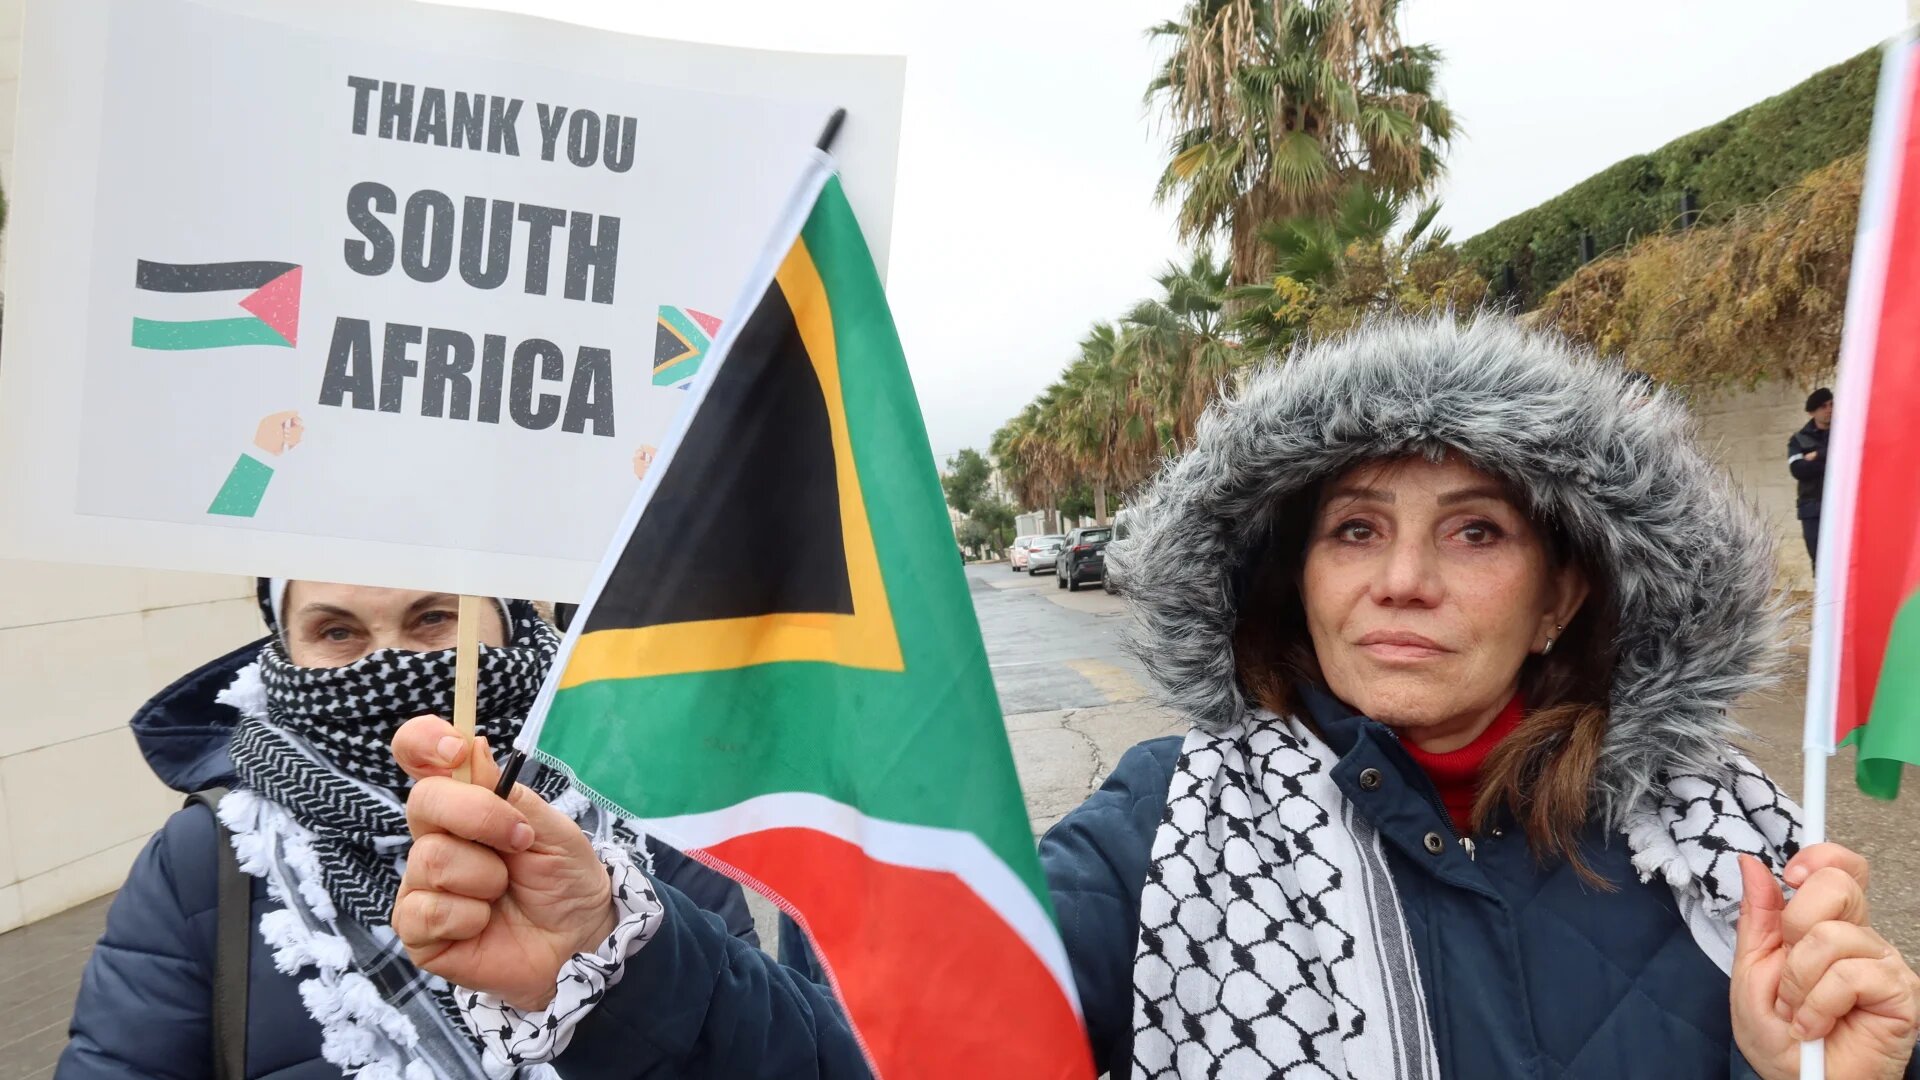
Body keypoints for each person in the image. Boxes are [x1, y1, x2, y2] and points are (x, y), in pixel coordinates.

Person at [386, 317, 1920, 1079]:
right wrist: (616, 962)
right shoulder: (1165, 828)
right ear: (1293, 578)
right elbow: (903, 1049)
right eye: (1354, 530)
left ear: (1563, 593)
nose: (1401, 582)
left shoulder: (1737, 858)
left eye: (1474, 534)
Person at [59, 579, 758, 1079]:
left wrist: (605, 956)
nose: (388, 663)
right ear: (284, 647)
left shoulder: (651, 817)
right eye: (337, 632)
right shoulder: (199, 860)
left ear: (509, 621)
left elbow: (754, 1047)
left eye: (434, 617)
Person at [1789, 387, 1833, 566]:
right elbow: (1798, 469)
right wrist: (1830, 462)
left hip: (1841, 507)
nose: (1829, 409)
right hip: (1813, 509)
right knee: (1820, 561)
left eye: (1831, 404)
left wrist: (1818, 455)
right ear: (1812, 412)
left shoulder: (1844, 434)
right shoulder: (1799, 439)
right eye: (1823, 406)